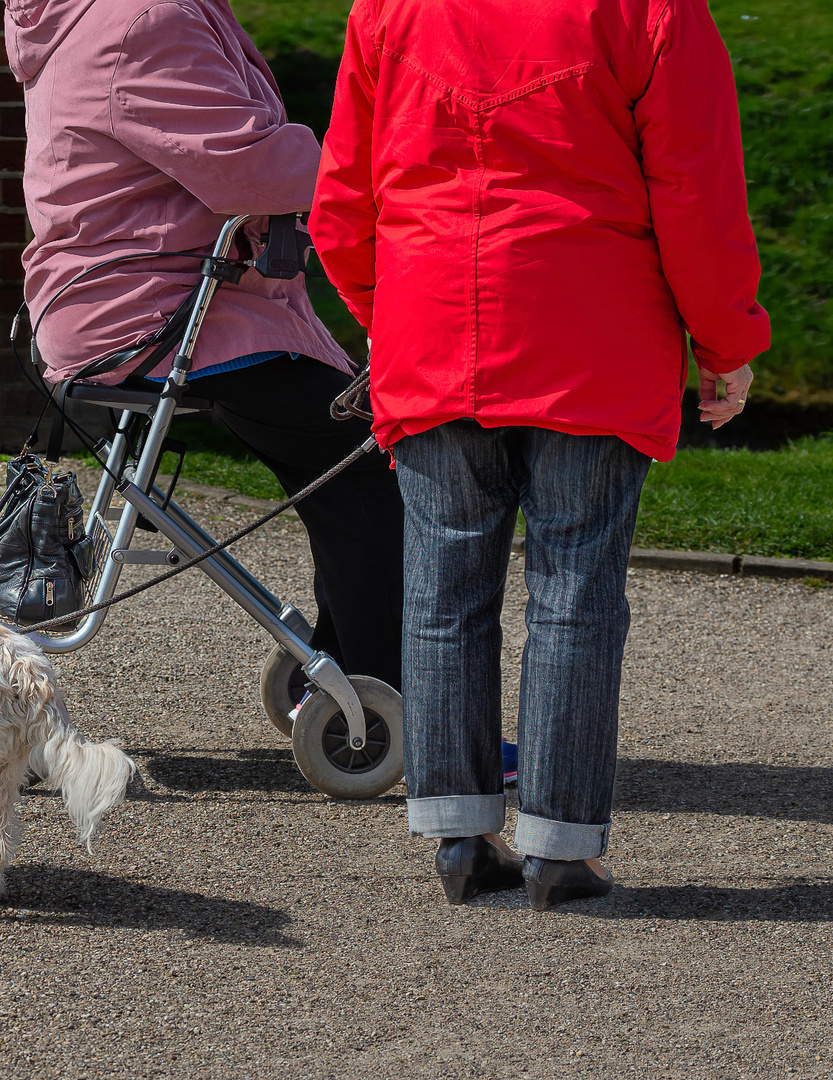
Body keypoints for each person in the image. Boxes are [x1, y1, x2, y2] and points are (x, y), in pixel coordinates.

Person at [310, 0, 769, 909]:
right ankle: (562, 846)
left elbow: (343, 200)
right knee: (576, 593)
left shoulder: (388, 8)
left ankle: (456, 835)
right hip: (591, 335)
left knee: (441, 591)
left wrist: (391, 312)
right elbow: (694, 183)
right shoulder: (651, 10)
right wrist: (725, 339)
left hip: (436, 318)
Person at [3, 0, 404, 700]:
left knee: (348, 453)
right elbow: (250, 168)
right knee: (367, 460)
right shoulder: (142, 20)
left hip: (139, 303)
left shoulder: (105, 12)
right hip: (162, 313)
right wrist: (390, 153)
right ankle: (394, 697)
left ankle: (349, 672)